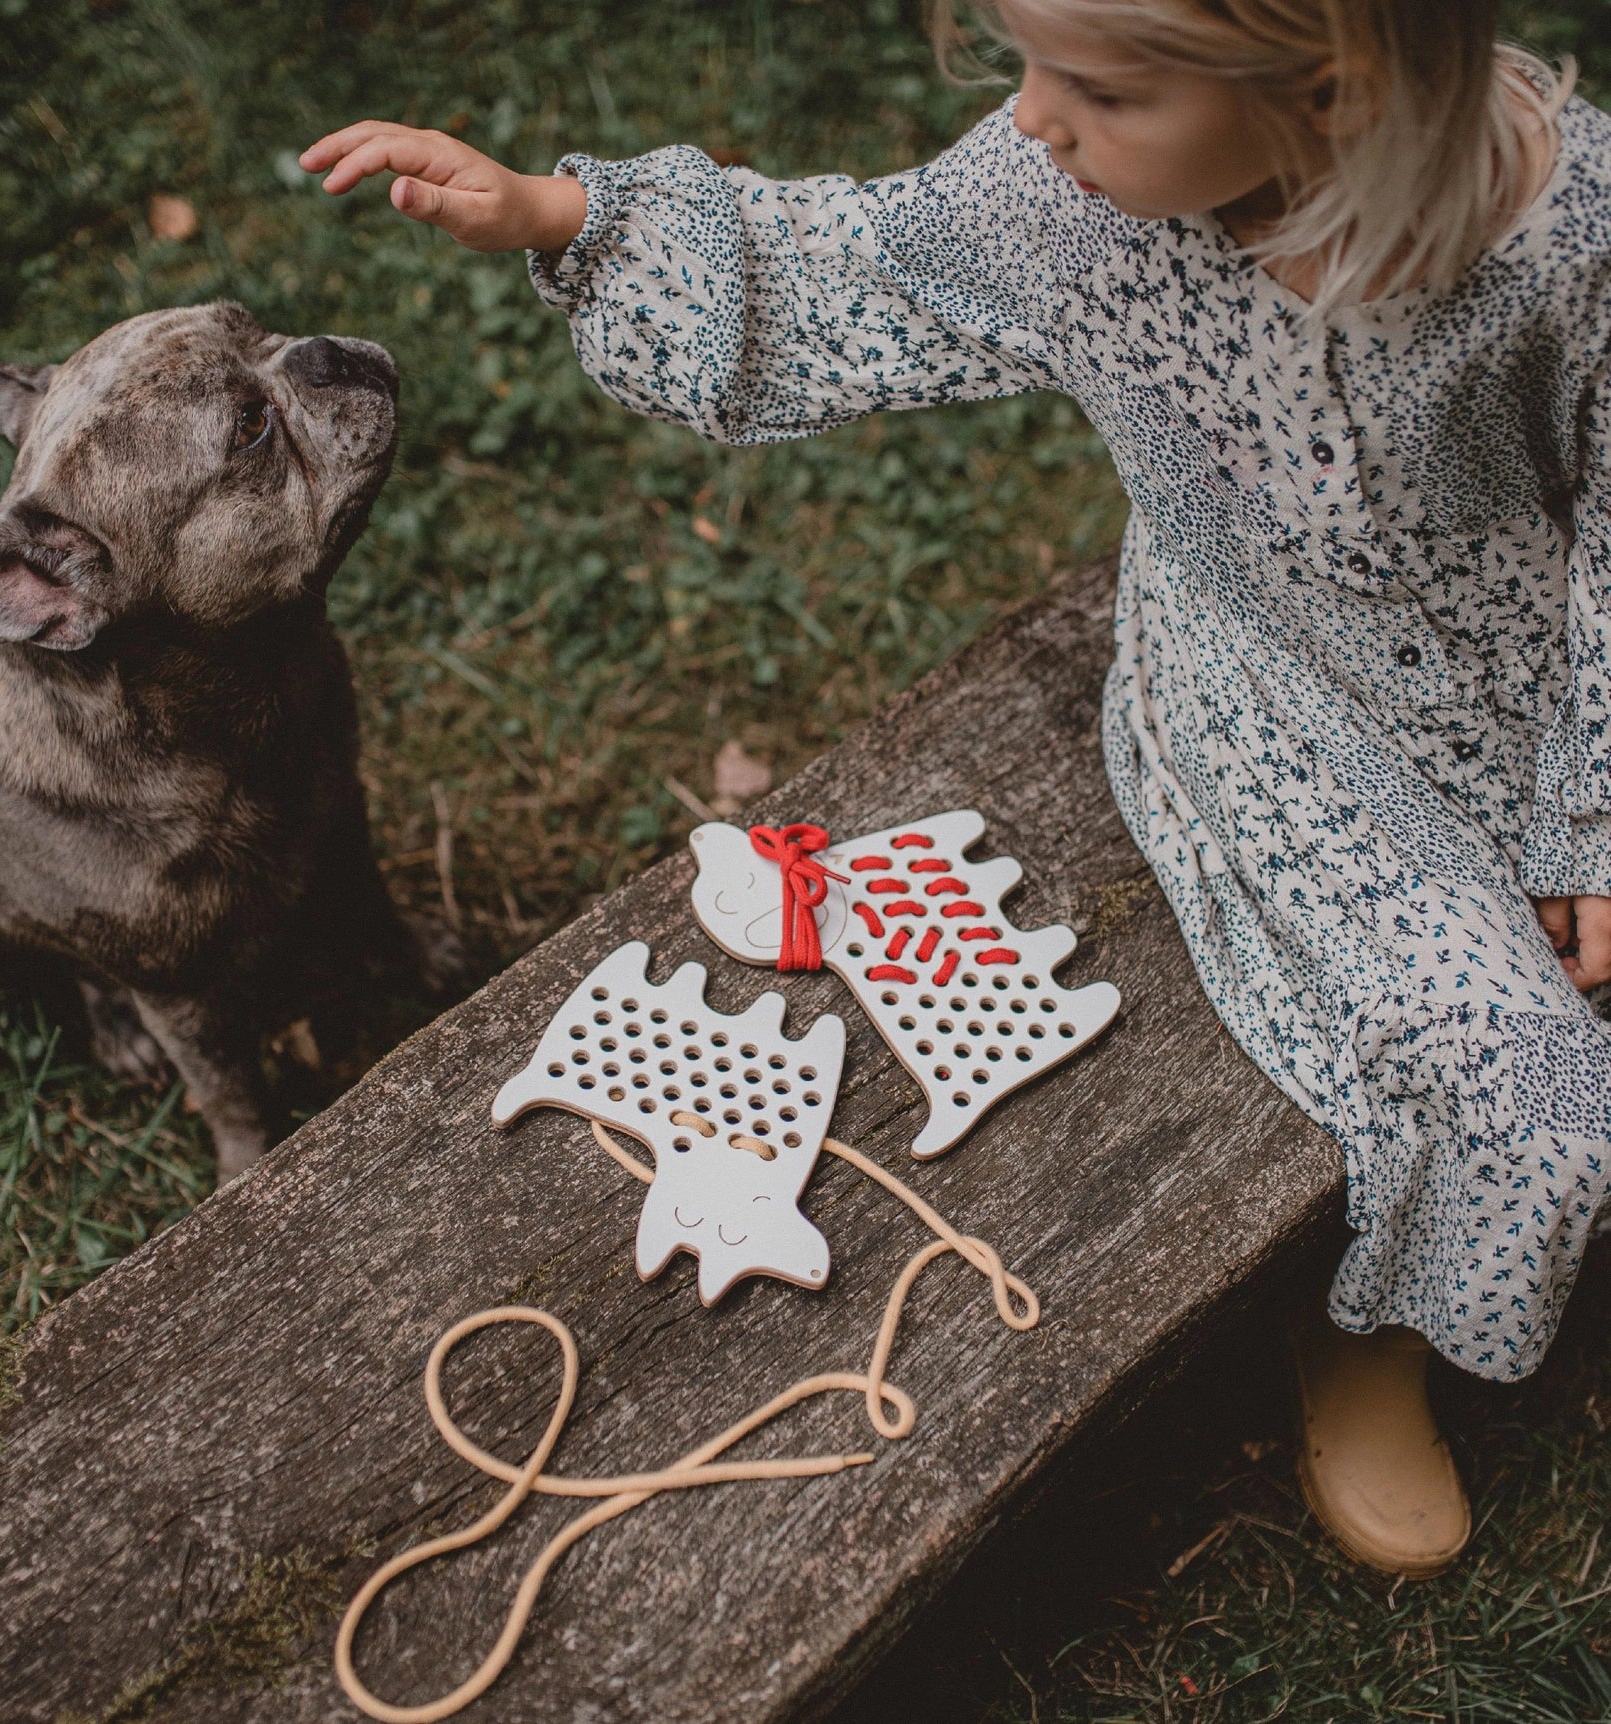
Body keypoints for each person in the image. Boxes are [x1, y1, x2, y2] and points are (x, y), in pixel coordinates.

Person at [301, 0, 1611, 1579]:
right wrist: (564, 214)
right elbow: (850, 260)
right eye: (1028, 64)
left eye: (1101, 88)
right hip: (1278, 705)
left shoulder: (1567, 236)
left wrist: (1590, 807)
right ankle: (1380, 1333)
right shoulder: (1063, 208)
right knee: (1545, 1096)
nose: (1038, 118)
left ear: (1328, 88)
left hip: (1544, 687)